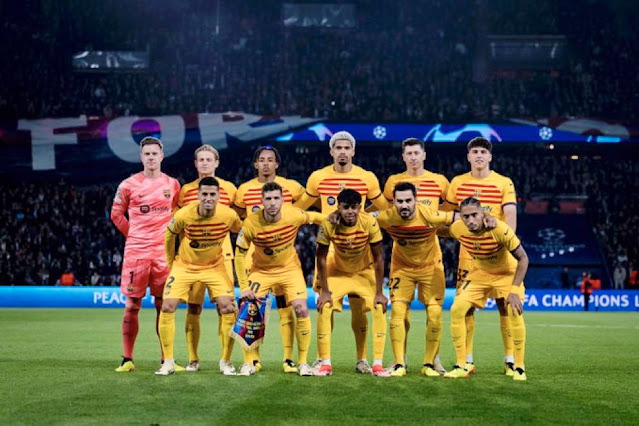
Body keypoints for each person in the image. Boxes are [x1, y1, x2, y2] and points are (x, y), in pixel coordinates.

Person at [295, 131, 389, 374]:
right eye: (338, 148)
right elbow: (299, 209)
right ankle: (321, 358)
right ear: (331, 151)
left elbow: (384, 208)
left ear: (353, 151)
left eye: (347, 147)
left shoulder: (367, 177)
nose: (343, 152)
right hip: (331, 253)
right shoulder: (318, 177)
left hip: (359, 252)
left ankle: (362, 360)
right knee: (326, 306)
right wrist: (323, 218)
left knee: (360, 311)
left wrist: (364, 216)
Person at [233, 182, 325, 376]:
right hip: (261, 271)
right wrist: (243, 287)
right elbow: (239, 255)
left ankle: (302, 363)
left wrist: (333, 219)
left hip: (289, 269)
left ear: (283, 200)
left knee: (300, 308)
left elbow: (315, 217)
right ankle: (249, 362)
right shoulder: (251, 223)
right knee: (249, 310)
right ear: (262, 201)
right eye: (268, 199)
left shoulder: (293, 214)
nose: (273, 203)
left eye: (276, 198)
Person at [443, 137, 518, 376]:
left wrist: (505, 244)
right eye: (474, 151)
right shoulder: (457, 182)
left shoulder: (503, 182)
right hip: (469, 256)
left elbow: (510, 217)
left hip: (499, 254)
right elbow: (448, 217)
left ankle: (510, 360)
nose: (478, 156)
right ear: (468, 157)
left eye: (482, 152)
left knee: (504, 306)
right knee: (466, 308)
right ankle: (466, 361)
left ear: (490, 157)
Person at [156, 177, 242, 376]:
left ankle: (225, 362)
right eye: (205, 194)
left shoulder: (228, 215)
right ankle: (168, 362)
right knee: (168, 305)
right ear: (198, 195)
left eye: (212, 194)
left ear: (219, 196)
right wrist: (171, 264)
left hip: (215, 266)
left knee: (228, 307)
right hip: (185, 266)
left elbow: (244, 231)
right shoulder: (184, 214)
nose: (208, 198)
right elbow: (169, 235)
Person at [111, 136, 181, 373]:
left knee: (164, 306)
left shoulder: (173, 185)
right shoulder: (128, 184)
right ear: (141, 157)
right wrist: (135, 236)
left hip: (163, 254)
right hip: (137, 254)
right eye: (147, 154)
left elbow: (177, 216)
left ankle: (167, 359)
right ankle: (127, 359)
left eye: (155, 153)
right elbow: (116, 215)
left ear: (162, 156)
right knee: (132, 305)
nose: (151, 157)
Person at [381, 137, 450, 374]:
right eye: (408, 153)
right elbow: (388, 214)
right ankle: (400, 360)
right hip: (401, 260)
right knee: (401, 312)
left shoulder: (439, 181)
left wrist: (436, 227)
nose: (412, 157)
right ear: (403, 157)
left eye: (416, 153)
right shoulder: (393, 182)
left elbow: (450, 212)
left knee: (434, 312)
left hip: (431, 257)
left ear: (424, 155)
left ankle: (435, 359)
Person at [438, 198, 528, 381]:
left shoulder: (499, 229)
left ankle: (519, 366)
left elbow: (524, 259)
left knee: (513, 310)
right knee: (457, 309)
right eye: (466, 216)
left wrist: (513, 290)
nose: (470, 220)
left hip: (506, 273)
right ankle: (461, 365)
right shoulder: (458, 228)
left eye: (474, 215)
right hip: (480, 274)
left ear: (482, 213)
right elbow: (440, 230)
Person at [234, 146, 305, 373]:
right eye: (261, 160)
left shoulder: (292, 187)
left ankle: (288, 359)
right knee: (253, 310)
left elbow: (304, 206)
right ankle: (252, 359)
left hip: (284, 256)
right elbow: (237, 217)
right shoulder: (243, 190)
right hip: (254, 257)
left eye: (270, 160)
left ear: (277, 164)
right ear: (255, 164)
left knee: (286, 307)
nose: (265, 164)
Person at [314, 189, 389, 377]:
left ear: (360, 207)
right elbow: (320, 257)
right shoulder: (329, 223)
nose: (350, 212)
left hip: (363, 273)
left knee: (378, 307)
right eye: (346, 207)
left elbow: (379, 257)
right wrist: (324, 290)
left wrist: (380, 292)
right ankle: (325, 363)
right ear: (338, 207)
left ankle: (375, 364)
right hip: (338, 273)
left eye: (354, 208)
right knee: (325, 307)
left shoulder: (369, 222)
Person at [177, 145, 237, 373]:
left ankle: (225, 360)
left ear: (216, 162)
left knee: (226, 308)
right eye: (200, 159)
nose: (204, 163)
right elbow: (180, 224)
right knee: (193, 308)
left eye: (208, 159)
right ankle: (193, 359)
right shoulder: (185, 191)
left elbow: (238, 220)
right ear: (195, 163)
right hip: (193, 259)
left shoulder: (230, 189)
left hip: (223, 257)